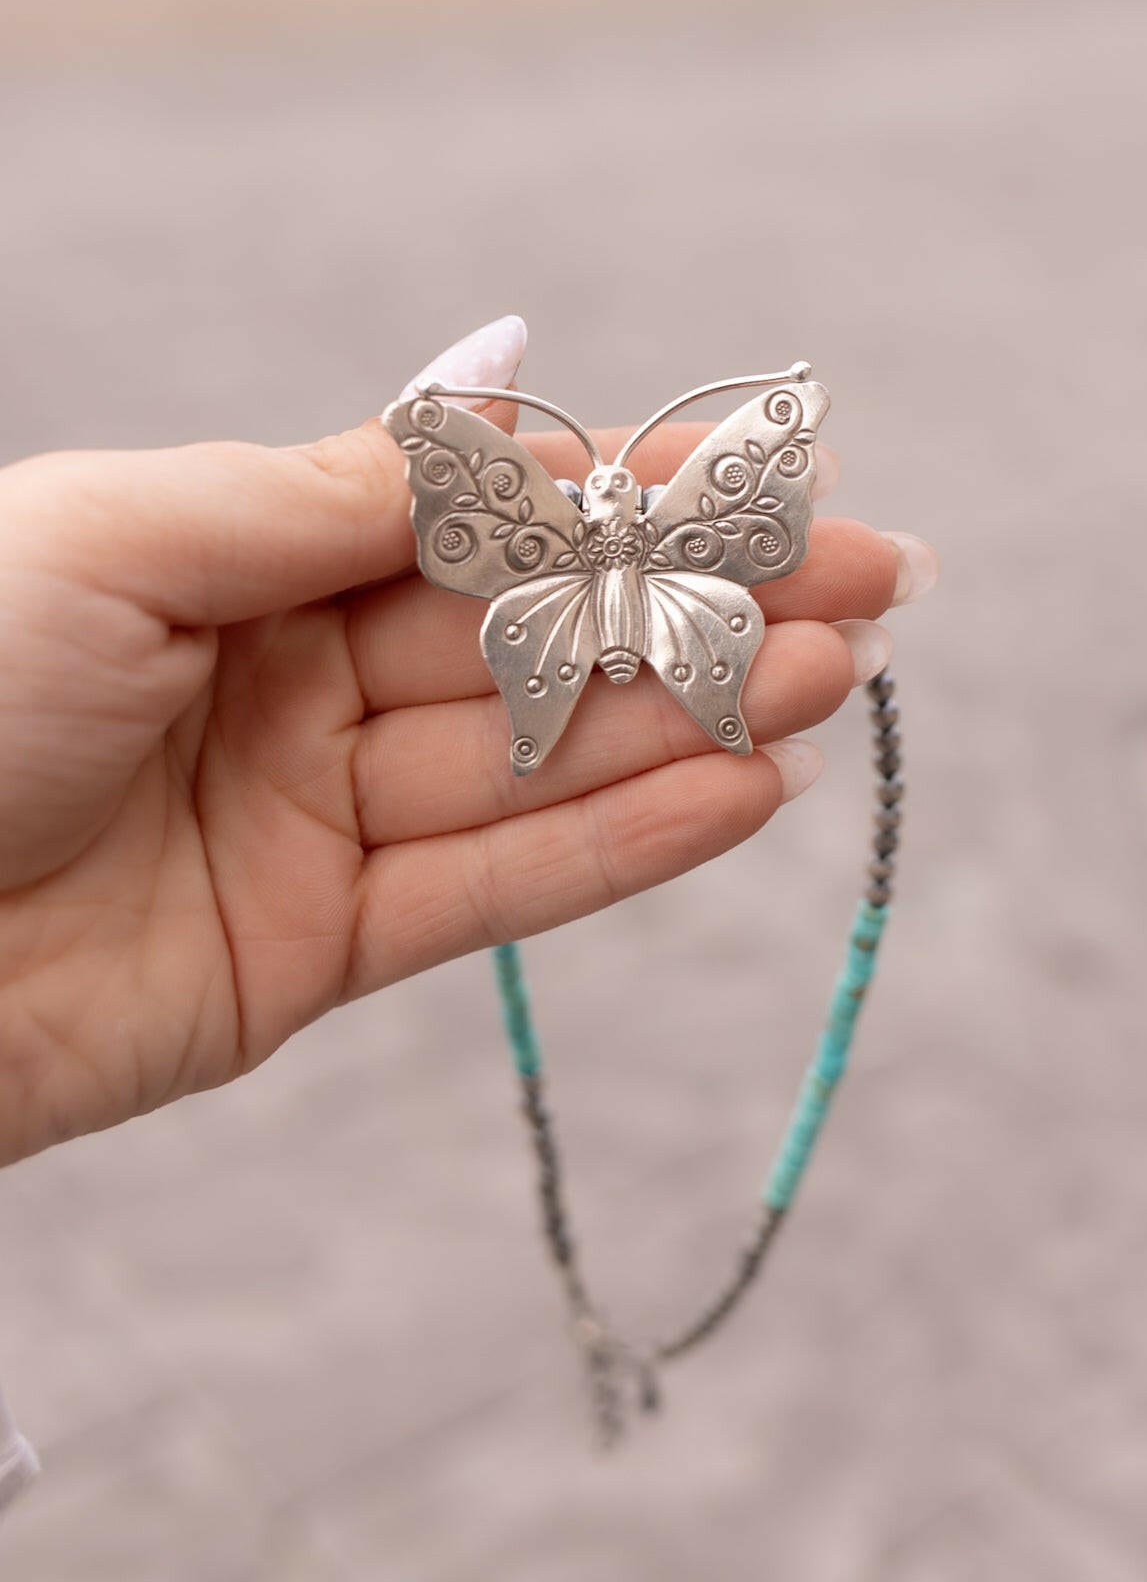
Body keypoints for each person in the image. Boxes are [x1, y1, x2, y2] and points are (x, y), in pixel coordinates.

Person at [0, 316, 937, 1502]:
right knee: (622, 747)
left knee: (655, 739)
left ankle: (629, 715)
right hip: (658, 614)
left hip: (574, 620)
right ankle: (609, 716)